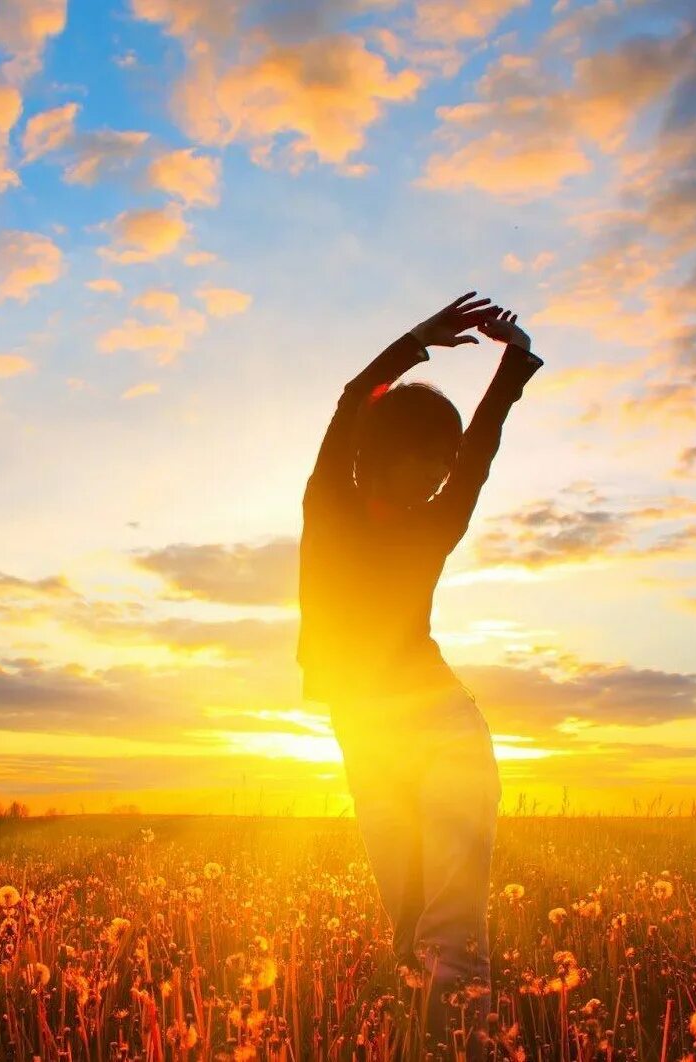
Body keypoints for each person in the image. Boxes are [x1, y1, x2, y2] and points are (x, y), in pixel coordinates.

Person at [295, 292, 543, 1049]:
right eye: (422, 460)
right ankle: (426, 1002)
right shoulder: (330, 502)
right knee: (404, 891)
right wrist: (414, 342)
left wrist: (513, 363)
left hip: (440, 716)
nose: (438, 476)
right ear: (378, 453)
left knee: (459, 873)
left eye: (441, 464)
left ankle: (460, 1008)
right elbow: (350, 404)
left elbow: (482, 449)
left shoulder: (438, 519)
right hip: (366, 723)